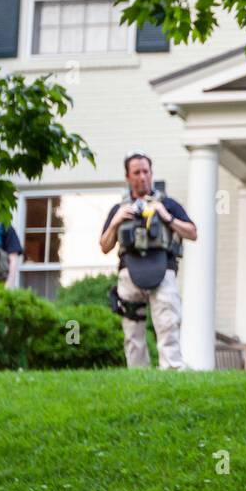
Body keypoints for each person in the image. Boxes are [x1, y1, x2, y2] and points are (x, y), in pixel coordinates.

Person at [100, 151, 198, 369]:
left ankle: (172, 372)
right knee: (132, 332)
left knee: (167, 324)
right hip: (129, 274)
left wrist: (166, 216)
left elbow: (192, 233)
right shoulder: (119, 208)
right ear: (128, 177)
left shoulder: (168, 204)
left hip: (163, 271)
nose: (142, 177)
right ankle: (138, 378)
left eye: (146, 171)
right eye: (136, 172)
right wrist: (116, 221)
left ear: (151, 174)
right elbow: (105, 246)